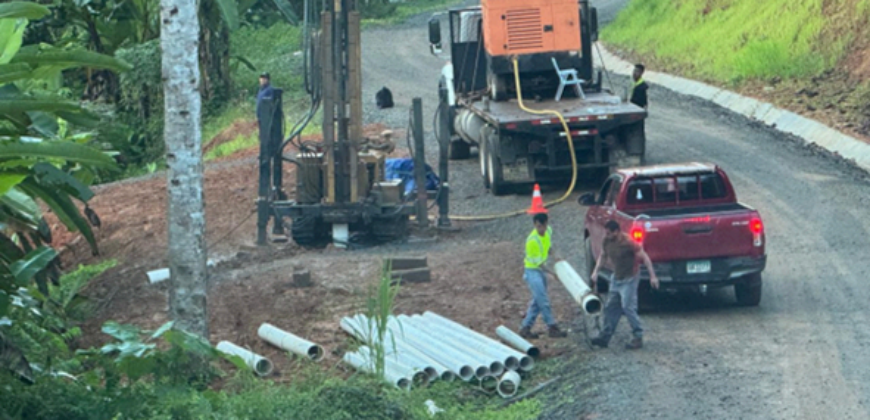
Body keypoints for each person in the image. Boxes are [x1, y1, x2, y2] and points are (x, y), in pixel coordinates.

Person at [589, 220, 659, 350]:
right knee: (610, 307)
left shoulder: (628, 242)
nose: (607, 235)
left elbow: (644, 257)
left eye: (609, 233)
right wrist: (596, 271)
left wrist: (652, 276)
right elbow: (603, 256)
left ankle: (637, 336)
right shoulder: (606, 241)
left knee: (628, 307)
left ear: (616, 231)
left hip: (630, 278)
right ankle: (604, 337)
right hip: (616, 278)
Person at [519, 212, 568, 339]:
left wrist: (556, 256)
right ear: (535, 225)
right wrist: (552, 273)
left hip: (538, 271)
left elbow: (548, 247)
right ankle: (552, 327)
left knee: (538, 300)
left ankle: (525, 327)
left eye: (542, 226)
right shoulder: (532, 241)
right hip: (533, 271)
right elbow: (539, 263)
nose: (541, 228)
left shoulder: (548, 232)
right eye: (538, 226)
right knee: (543, 300)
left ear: (546, 224)